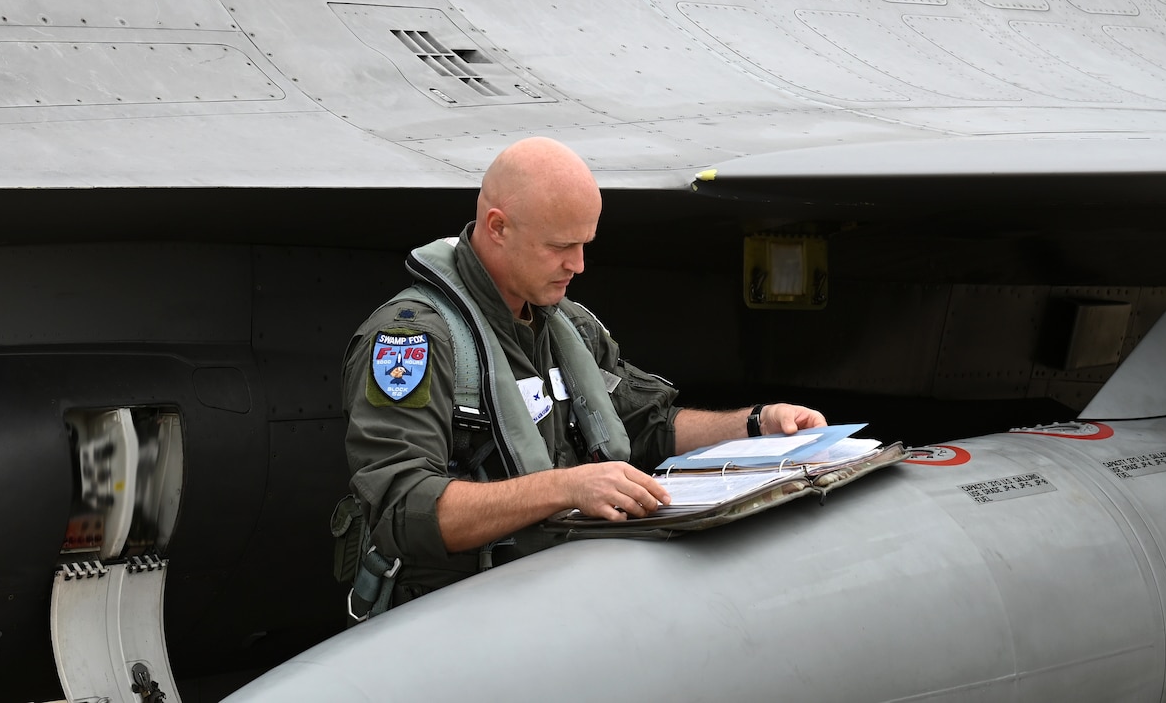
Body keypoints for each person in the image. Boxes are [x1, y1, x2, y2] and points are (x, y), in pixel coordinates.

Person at [339, 137, 826, 613]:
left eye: (584, 244)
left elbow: (647, 423)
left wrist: (758, 423)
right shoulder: (414, 342)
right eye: (559, 246)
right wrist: (567, 488)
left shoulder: (567, 325)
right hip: (455, 616)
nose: (578, 264)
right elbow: (403, 511)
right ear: (497, 227)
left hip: (560, 597)